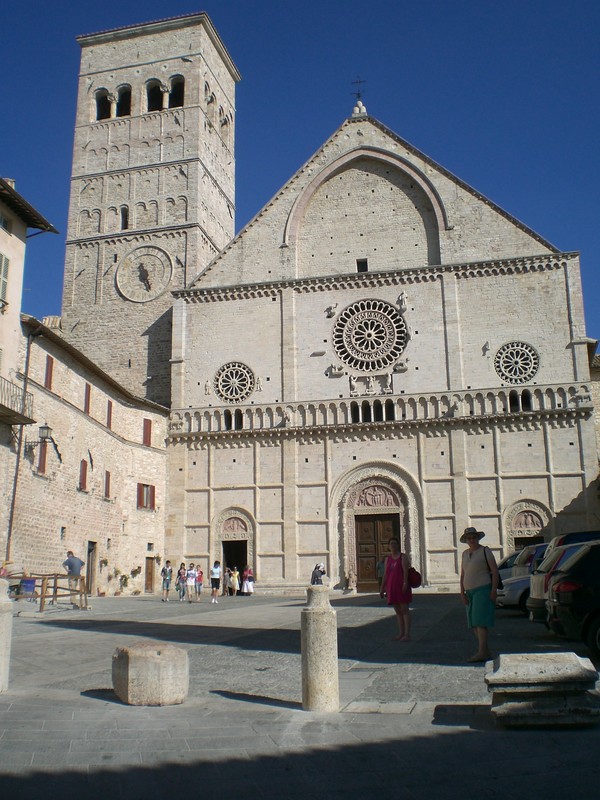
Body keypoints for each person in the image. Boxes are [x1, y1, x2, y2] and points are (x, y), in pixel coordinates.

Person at [459, 526, 499, 662]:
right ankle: (485, 651)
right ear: (466, 540)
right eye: (469, 538)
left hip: (483, 589)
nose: (472, 540)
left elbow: (494, 571)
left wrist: (493, 590)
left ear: (478, 538)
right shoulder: (464, 554)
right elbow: (463, 574)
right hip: (469, 592)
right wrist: (462, 593)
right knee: (473, 624)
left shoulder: (485, 551)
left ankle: (481, 652)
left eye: (474, 537)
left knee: (480, 622)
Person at [379, 537, 412, 641]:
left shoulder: (403, 557)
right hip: (391, 587)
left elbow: (406, 572)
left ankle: (406, 634)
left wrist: (405, 583)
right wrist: (382, 588)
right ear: (388, 546)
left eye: (395, 543)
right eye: (391, 544)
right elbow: (385, 574)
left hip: (402, 586)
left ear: (398, 545)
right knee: (398, 611)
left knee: (404, 609)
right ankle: (400, 633)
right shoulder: (387, 559)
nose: (393, 545)